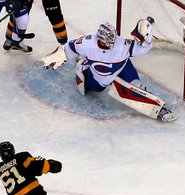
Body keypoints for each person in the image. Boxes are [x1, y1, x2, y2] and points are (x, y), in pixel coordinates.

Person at [40, 19, 177, 122]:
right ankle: (85, 65)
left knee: (135, 87)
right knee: (96, 88)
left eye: (113, 39)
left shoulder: (122, 45)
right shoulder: (88, 43)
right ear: (100, 38)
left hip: (122, 67)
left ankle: (159, 110)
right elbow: (70, 48)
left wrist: (145, 41)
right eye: (108, 41)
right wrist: (59, 56)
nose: (112, 43)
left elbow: (141, 49)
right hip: (99, 73)